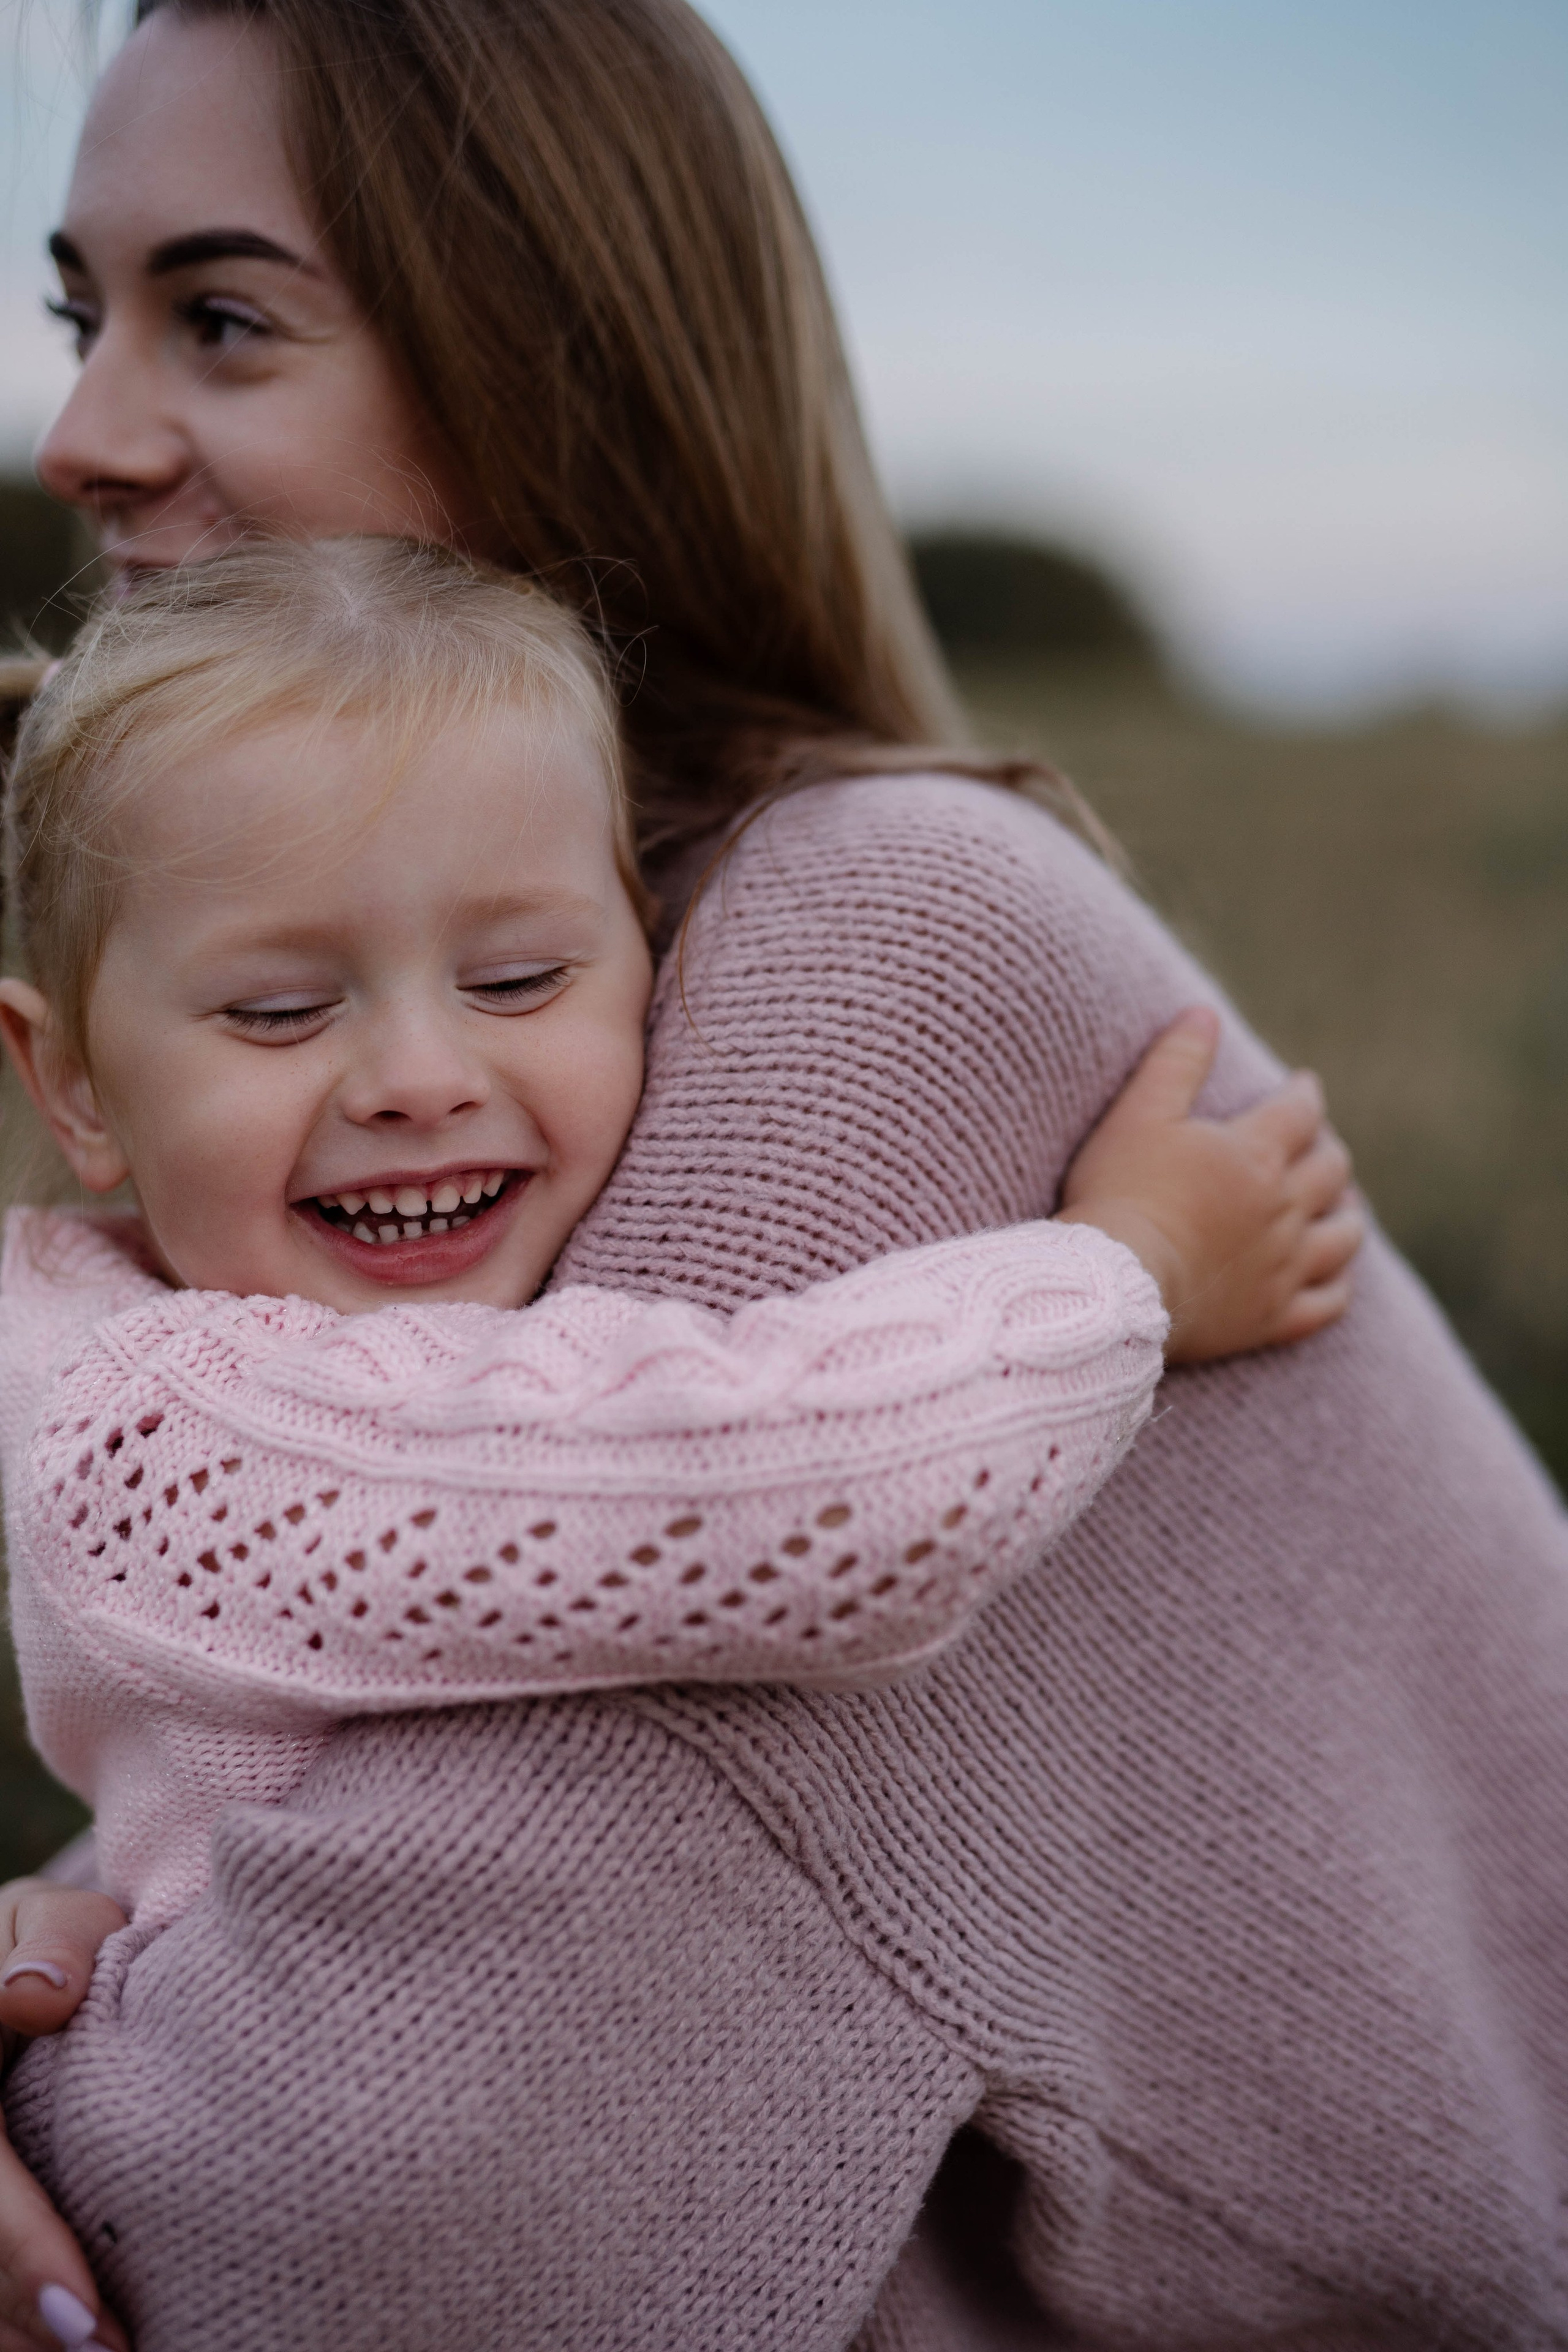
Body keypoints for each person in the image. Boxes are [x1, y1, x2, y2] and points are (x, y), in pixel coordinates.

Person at [1, 3, 1565, 2348]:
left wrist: (59, 2110)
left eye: (220, 319)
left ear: (560, 357)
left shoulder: (868, 935)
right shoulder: (558, 992)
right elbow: (390, 1666)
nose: (84, 438)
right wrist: (90, 1937)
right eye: (81, 319)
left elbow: (360, 2224)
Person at [0, 532, 1349, 1947]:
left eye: (517, 980)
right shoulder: (150, 1445)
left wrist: (100, 1899)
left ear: (653, 959)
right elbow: (799, 1497)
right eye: (278, 1012)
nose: (418, 1078)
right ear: (75, 1086)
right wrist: (1137, 1262)